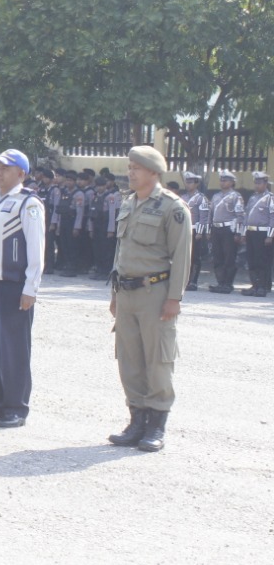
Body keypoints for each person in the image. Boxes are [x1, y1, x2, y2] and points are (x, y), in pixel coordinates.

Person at [107, 146, 191, 453]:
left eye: (136, 168)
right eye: (129, 167)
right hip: (127, 293)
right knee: (129, 359)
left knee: (158, 360)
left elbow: (181, 256)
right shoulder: (129, 204)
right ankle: (136, 420)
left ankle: (156, 425)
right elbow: (121, 252)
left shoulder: (172, 207)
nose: (131, 172)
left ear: (153, 172)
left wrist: (174, 298)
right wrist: (114, 294)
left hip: (155, 293)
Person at [0, 149, 46, 429]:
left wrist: (31, 288)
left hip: (13, 286)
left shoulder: (28, 204)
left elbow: (36, 250)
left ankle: (16, 407)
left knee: (14, 350)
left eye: (6, 167)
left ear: (21, 174)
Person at [208, 170, 244, 294]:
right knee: (217, 256)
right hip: (216, 228)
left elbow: (240, 216)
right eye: (221, 180)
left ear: (232, 182)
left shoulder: (236, 196)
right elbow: (210, 214)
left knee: (229, 257)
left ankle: (228, 284)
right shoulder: (216, 196)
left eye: (225, 180)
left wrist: (238, 233)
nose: (222, 182)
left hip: (229, 229)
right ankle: (220, 282)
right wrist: (209, 230)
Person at [242, 171, 273, 297]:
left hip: (263, 233)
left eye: (259, 183)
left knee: (262, 261)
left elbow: (272, 218)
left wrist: (270, 235)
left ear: (265, 183)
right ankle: (255, 284)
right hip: (251, 232)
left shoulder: (270, 198)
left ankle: (263, 286)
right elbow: (246, 215)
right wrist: (243, 233)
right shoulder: (253, 198)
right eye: (255, 183)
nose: (257, 185)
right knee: (252, 260)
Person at [180, 172, 210, 291]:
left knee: (195, 257)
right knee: (184, 257)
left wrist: (200, 232)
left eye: (191, 182)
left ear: (196, 183)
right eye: (187, 182)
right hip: (184, 230)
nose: (188, 184)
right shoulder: (183, 197)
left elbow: (203, 217)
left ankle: (193, 281)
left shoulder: (201, 198)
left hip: (195, 230)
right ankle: (184, 280)